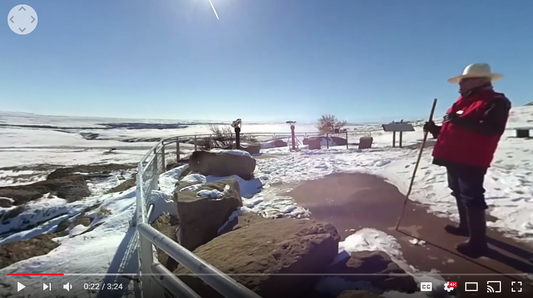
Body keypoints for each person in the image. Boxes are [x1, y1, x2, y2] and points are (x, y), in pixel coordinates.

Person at [423, 63, 511, 258]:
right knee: (458, 192)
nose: (460, 85)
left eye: (463, 81)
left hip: (472, 159)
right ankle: (465, 227)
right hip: (453, 156)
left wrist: (457, 120)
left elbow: (491, 129)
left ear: (479, 81)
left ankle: (478, 243)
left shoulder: (496, 101)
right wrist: (435, 129)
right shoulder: (462, 103)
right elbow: (454, 131)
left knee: (472, 197)